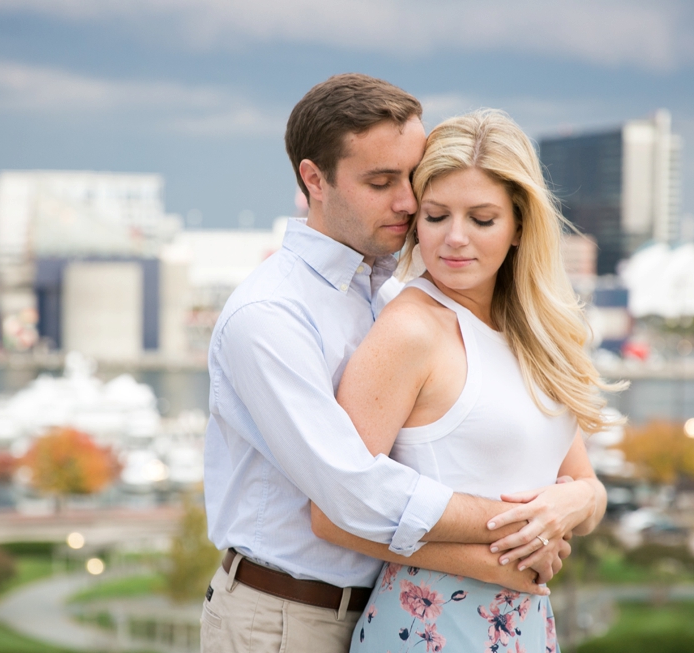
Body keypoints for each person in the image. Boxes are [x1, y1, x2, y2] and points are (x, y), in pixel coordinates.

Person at [202, 74, 601, 653]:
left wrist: (577, 500)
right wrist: (521, 532)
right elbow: (347, 494)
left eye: (410, 179)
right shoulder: (270, 316)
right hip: (285, 616)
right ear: (313, 180)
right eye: (381, 181)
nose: (408, 204)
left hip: (391, 604)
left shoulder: (387, 289)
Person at [310, 109, 623, 652]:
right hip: (425, 630)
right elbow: (334, 514)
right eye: (435, 217)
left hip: (524, 628)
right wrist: (498, 563)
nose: (455, 239)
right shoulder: (409, 331)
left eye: (481, 219)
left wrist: (575, 505)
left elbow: (584, 485)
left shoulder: (538, 335)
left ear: (519, 225)